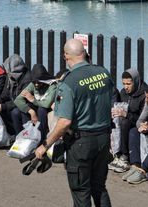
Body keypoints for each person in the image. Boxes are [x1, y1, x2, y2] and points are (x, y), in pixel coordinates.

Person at [34, 39, 113, 207]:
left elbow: (64, 122)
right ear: (84, 53)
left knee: (81, 191)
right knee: (99, 188)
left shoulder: (68, 82)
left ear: (65, 56)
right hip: (104, 138)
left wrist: (45, 145)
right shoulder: (103, 73)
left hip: (81, 143)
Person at [109, 68, 146, 173]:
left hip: (138, 123)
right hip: (126, 121)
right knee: (116, 120)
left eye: (128, 84)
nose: (126, 87)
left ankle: (125, 156)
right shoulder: (123, 93)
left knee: (124, 122)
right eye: (124, 83)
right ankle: (116, 153)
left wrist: (126, 114)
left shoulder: (144, 94)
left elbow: (143, 117)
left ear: (136, 81)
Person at [13, 63, 59, 141]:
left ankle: (40, 140)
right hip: (36, 107)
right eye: (35, 82)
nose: (36, 85)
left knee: (41, 110)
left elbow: (46, 104)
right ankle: (23, 138)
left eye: (39, 82)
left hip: (46, 109)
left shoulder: (52, 85)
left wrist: (33, 99)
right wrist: (31, 112)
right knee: (16, 111)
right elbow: (18, 100)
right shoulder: (33, 84)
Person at [1, 54, 31, 134]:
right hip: (13, 104)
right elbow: (5, 93)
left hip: (25, 106)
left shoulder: (27, 79)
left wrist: (3, 106)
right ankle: (8, 135)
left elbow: (21, 100)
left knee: (15, 112)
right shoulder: (11, 76)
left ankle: (20, 136)